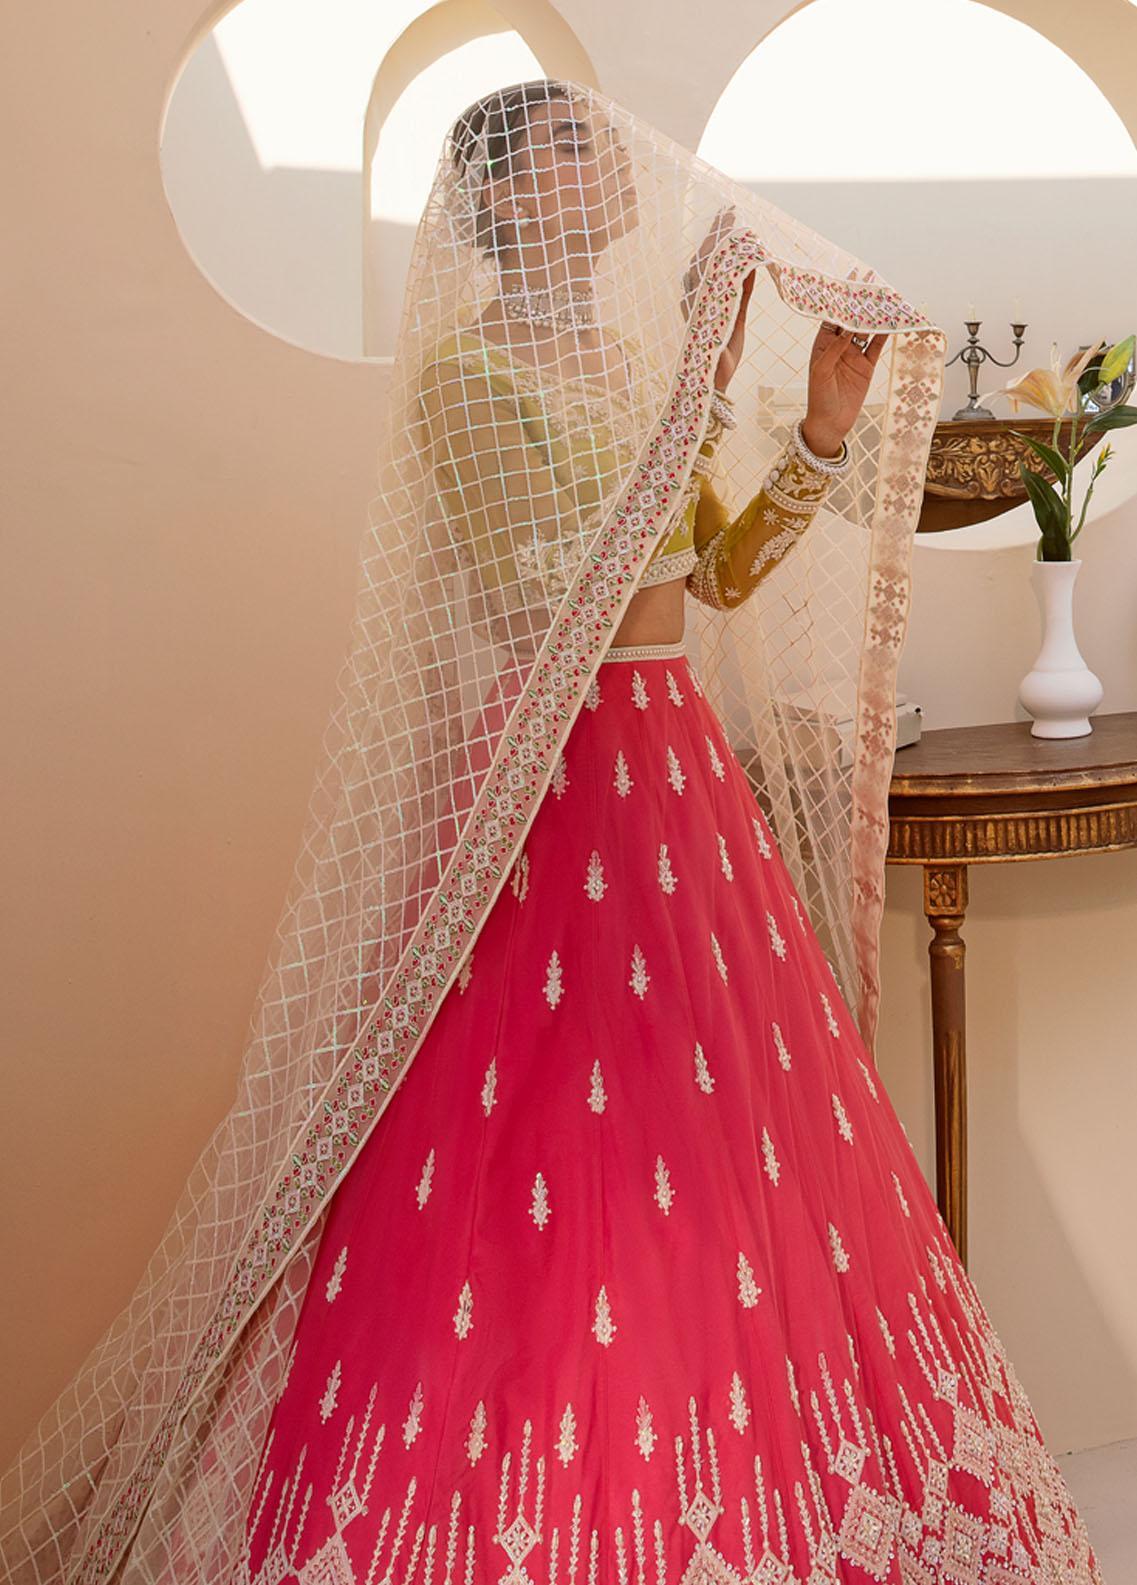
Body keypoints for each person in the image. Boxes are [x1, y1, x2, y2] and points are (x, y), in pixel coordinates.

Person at [1, 78, 1105, 1585]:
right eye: (578, 149)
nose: (616, 169)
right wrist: (697, 384)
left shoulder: (635, 364)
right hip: (553, 782)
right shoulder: (464, 377)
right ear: (508, 197)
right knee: (549, 1140)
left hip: (678, 784)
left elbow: (715, 581)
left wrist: (817, 433)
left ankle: (759, 1502)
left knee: (711, 1152)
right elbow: (550, 592)